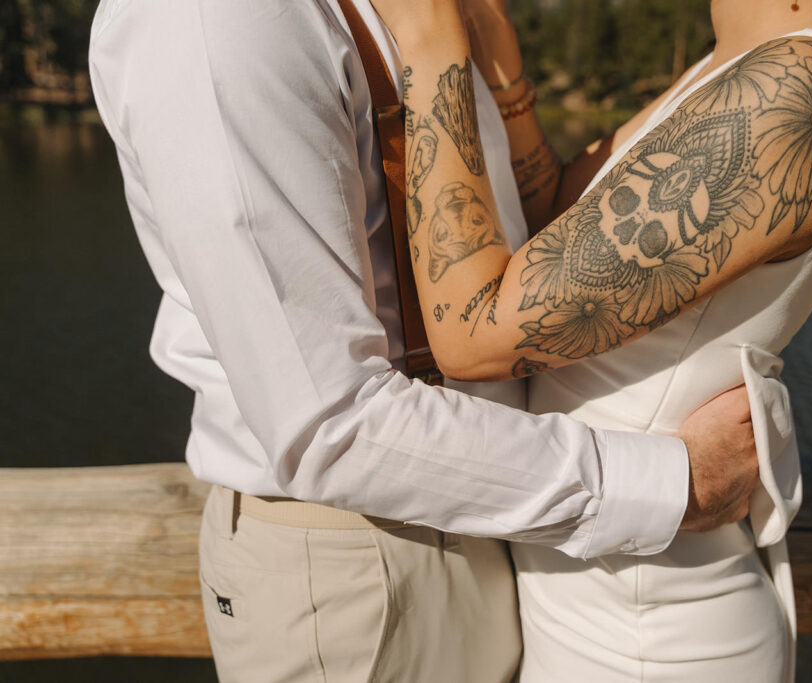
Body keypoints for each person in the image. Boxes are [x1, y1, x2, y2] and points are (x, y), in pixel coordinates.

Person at [86, 0, 769, 681]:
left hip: (484, 512)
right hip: (357, 562)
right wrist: (673, 483)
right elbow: (330, 425)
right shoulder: (221, 19)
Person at [368, 0, 812, 680]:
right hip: (608, 602)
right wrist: (507, 75)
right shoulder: (745, 59)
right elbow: (552, 230)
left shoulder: (802, 83)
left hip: (649, 637)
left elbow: (470, 328)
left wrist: (432, 39)